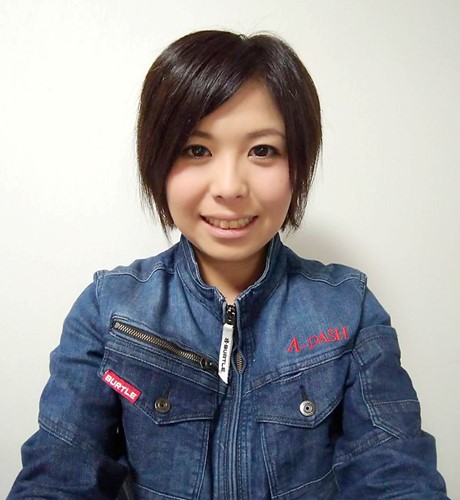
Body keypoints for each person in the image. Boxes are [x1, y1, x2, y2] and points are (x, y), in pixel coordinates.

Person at [9, 30, 448, 499]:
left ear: (297, 164)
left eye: (263, 150)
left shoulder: (348, 310)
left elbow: (395, 473)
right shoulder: (110, 309)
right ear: (158, 161)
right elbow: (59, 474)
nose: (230, 187)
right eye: (197, 150)